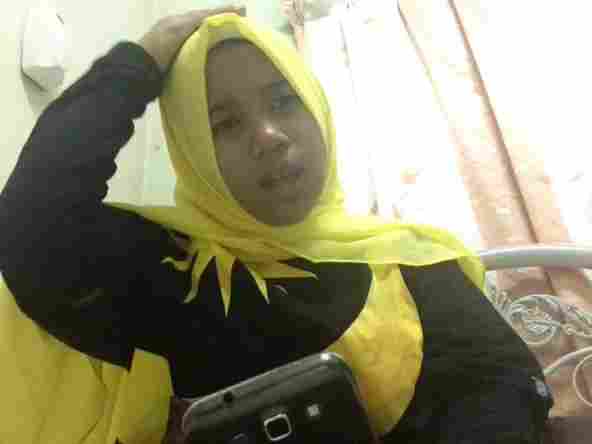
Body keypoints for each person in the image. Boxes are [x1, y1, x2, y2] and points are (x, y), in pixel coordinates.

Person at [0, 8, 552, 444]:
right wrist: (145, 56)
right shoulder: (164, 266)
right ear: (192, 150)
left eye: (285, 101)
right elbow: (32, 226)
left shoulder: (410, 263)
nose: (268, 136)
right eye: (225, 124)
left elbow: (500, 392)